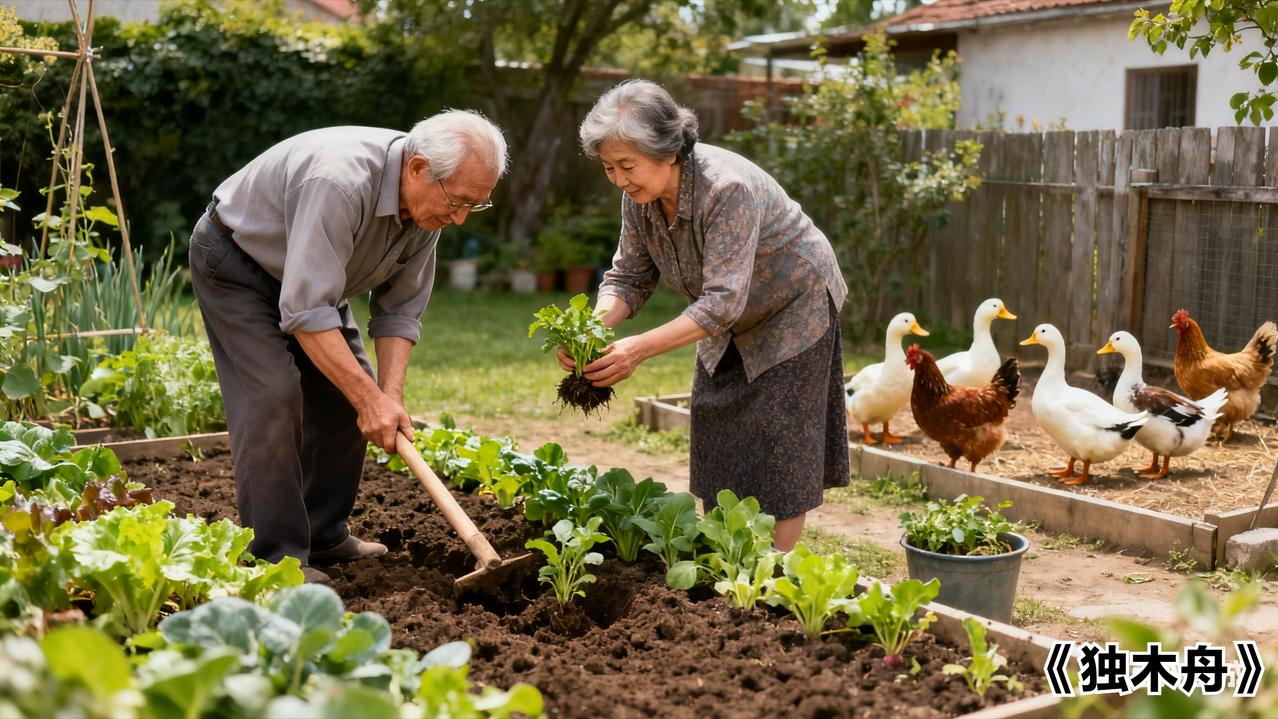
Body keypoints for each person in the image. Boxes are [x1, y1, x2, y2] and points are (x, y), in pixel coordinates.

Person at [189, 112, 507, 583]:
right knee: (274, 394)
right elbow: (305, 310)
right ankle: (275, 558)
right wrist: (369, 397)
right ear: (418, 169)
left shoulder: (428, 207)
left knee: (348, 398)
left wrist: (388, 396)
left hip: (313, 283)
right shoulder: (337, 182)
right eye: (458, 201)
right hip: (239, 265)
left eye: (474, 206)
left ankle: (322, 533)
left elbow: (398, 311)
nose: (459, 218)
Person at [569, 80, 849, 551]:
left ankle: (769, 572)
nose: (618, 178)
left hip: (792, 306)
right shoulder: (639, 198)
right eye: (608, 167)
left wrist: (636, 349)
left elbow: (721, 302)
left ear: (667, 150)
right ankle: (726, 555)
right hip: (727, 312)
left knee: (778, 441)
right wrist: (591, 329)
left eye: (627, 166)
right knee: (715, 423)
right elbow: (628, 277)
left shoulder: (726, 187)